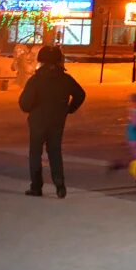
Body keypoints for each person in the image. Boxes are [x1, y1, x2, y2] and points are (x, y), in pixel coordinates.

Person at [18, 46, 86, 198]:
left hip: (37, 122)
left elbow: (24, 103)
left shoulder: (36, 80)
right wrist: (69, 109)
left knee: (35, 153)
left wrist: (33, 108)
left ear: (41, 61)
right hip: (57, 121)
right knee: (55, 152)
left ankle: (36, 187)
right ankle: (60, 185)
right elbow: (80, 94)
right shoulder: (66, 79)